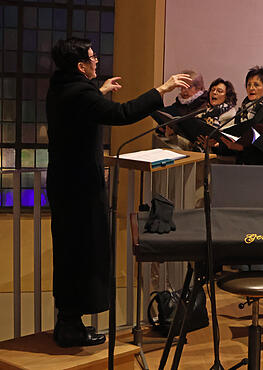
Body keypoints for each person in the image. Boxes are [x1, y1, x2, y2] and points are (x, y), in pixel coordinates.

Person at [47, 37, 191, 347]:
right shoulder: (78, 92)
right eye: (92, 57)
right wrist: (161, 90)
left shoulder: (62, 87)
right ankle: (70, 325)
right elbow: (122, 114)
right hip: (79, 187)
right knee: (81, 253)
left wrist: (99, 91)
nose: (97, 61)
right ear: (80, 66)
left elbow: (83, 108)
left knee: (75, 252)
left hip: (68, 184)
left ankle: (70, 322)